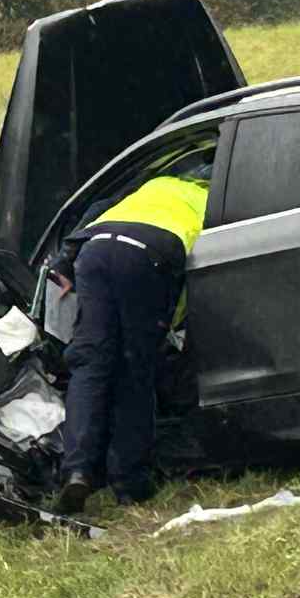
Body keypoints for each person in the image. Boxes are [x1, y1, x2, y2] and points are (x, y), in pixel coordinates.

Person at [55, 145, 216, 514]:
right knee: (134, 369)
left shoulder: (155, 184)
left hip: (96, 250)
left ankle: (77, 471)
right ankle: (130, 482)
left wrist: (64, 261)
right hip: (148, 254)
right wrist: (172, 326)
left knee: (89, 364)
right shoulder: (211, 198)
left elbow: (96, 210)